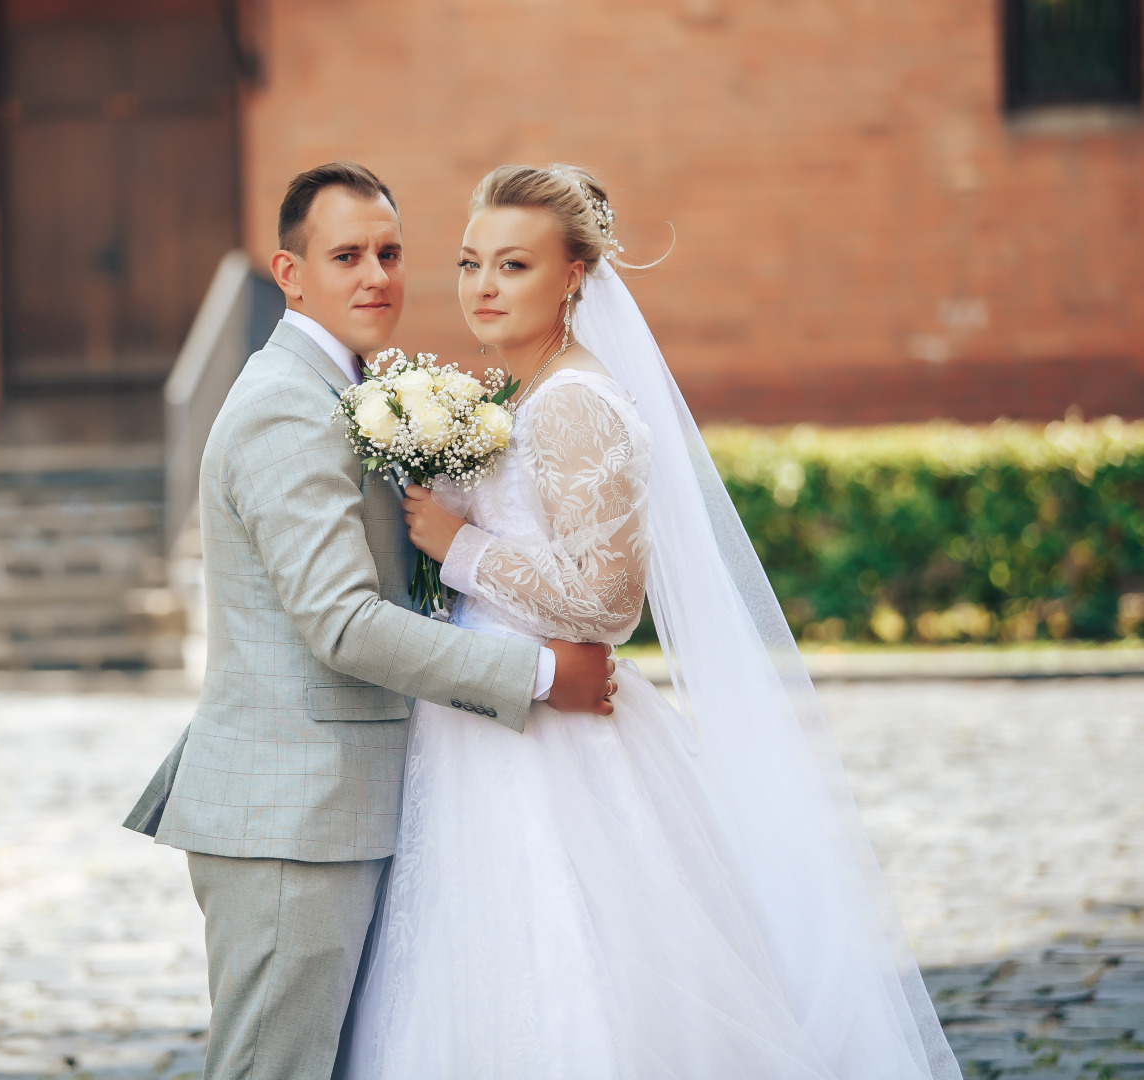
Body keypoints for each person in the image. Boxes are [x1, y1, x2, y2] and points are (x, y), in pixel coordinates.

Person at [343, 163, 963, 1079]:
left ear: (573, 278)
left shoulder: (574, 403)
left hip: (554, 725)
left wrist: (455, 548)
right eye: (471, 262)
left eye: (514, 266)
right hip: (488, 711)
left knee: (575, 959)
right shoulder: (521, 394)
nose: (482, 286)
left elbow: (608, 601)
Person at [122, 162, 619, 1080]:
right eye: (346, 255)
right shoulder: (286, 406)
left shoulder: (345, 393)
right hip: (290, 819)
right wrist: (543, 676)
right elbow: (344, 625)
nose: (377, 276)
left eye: (390, 253)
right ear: (290, 273)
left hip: (334, 806)